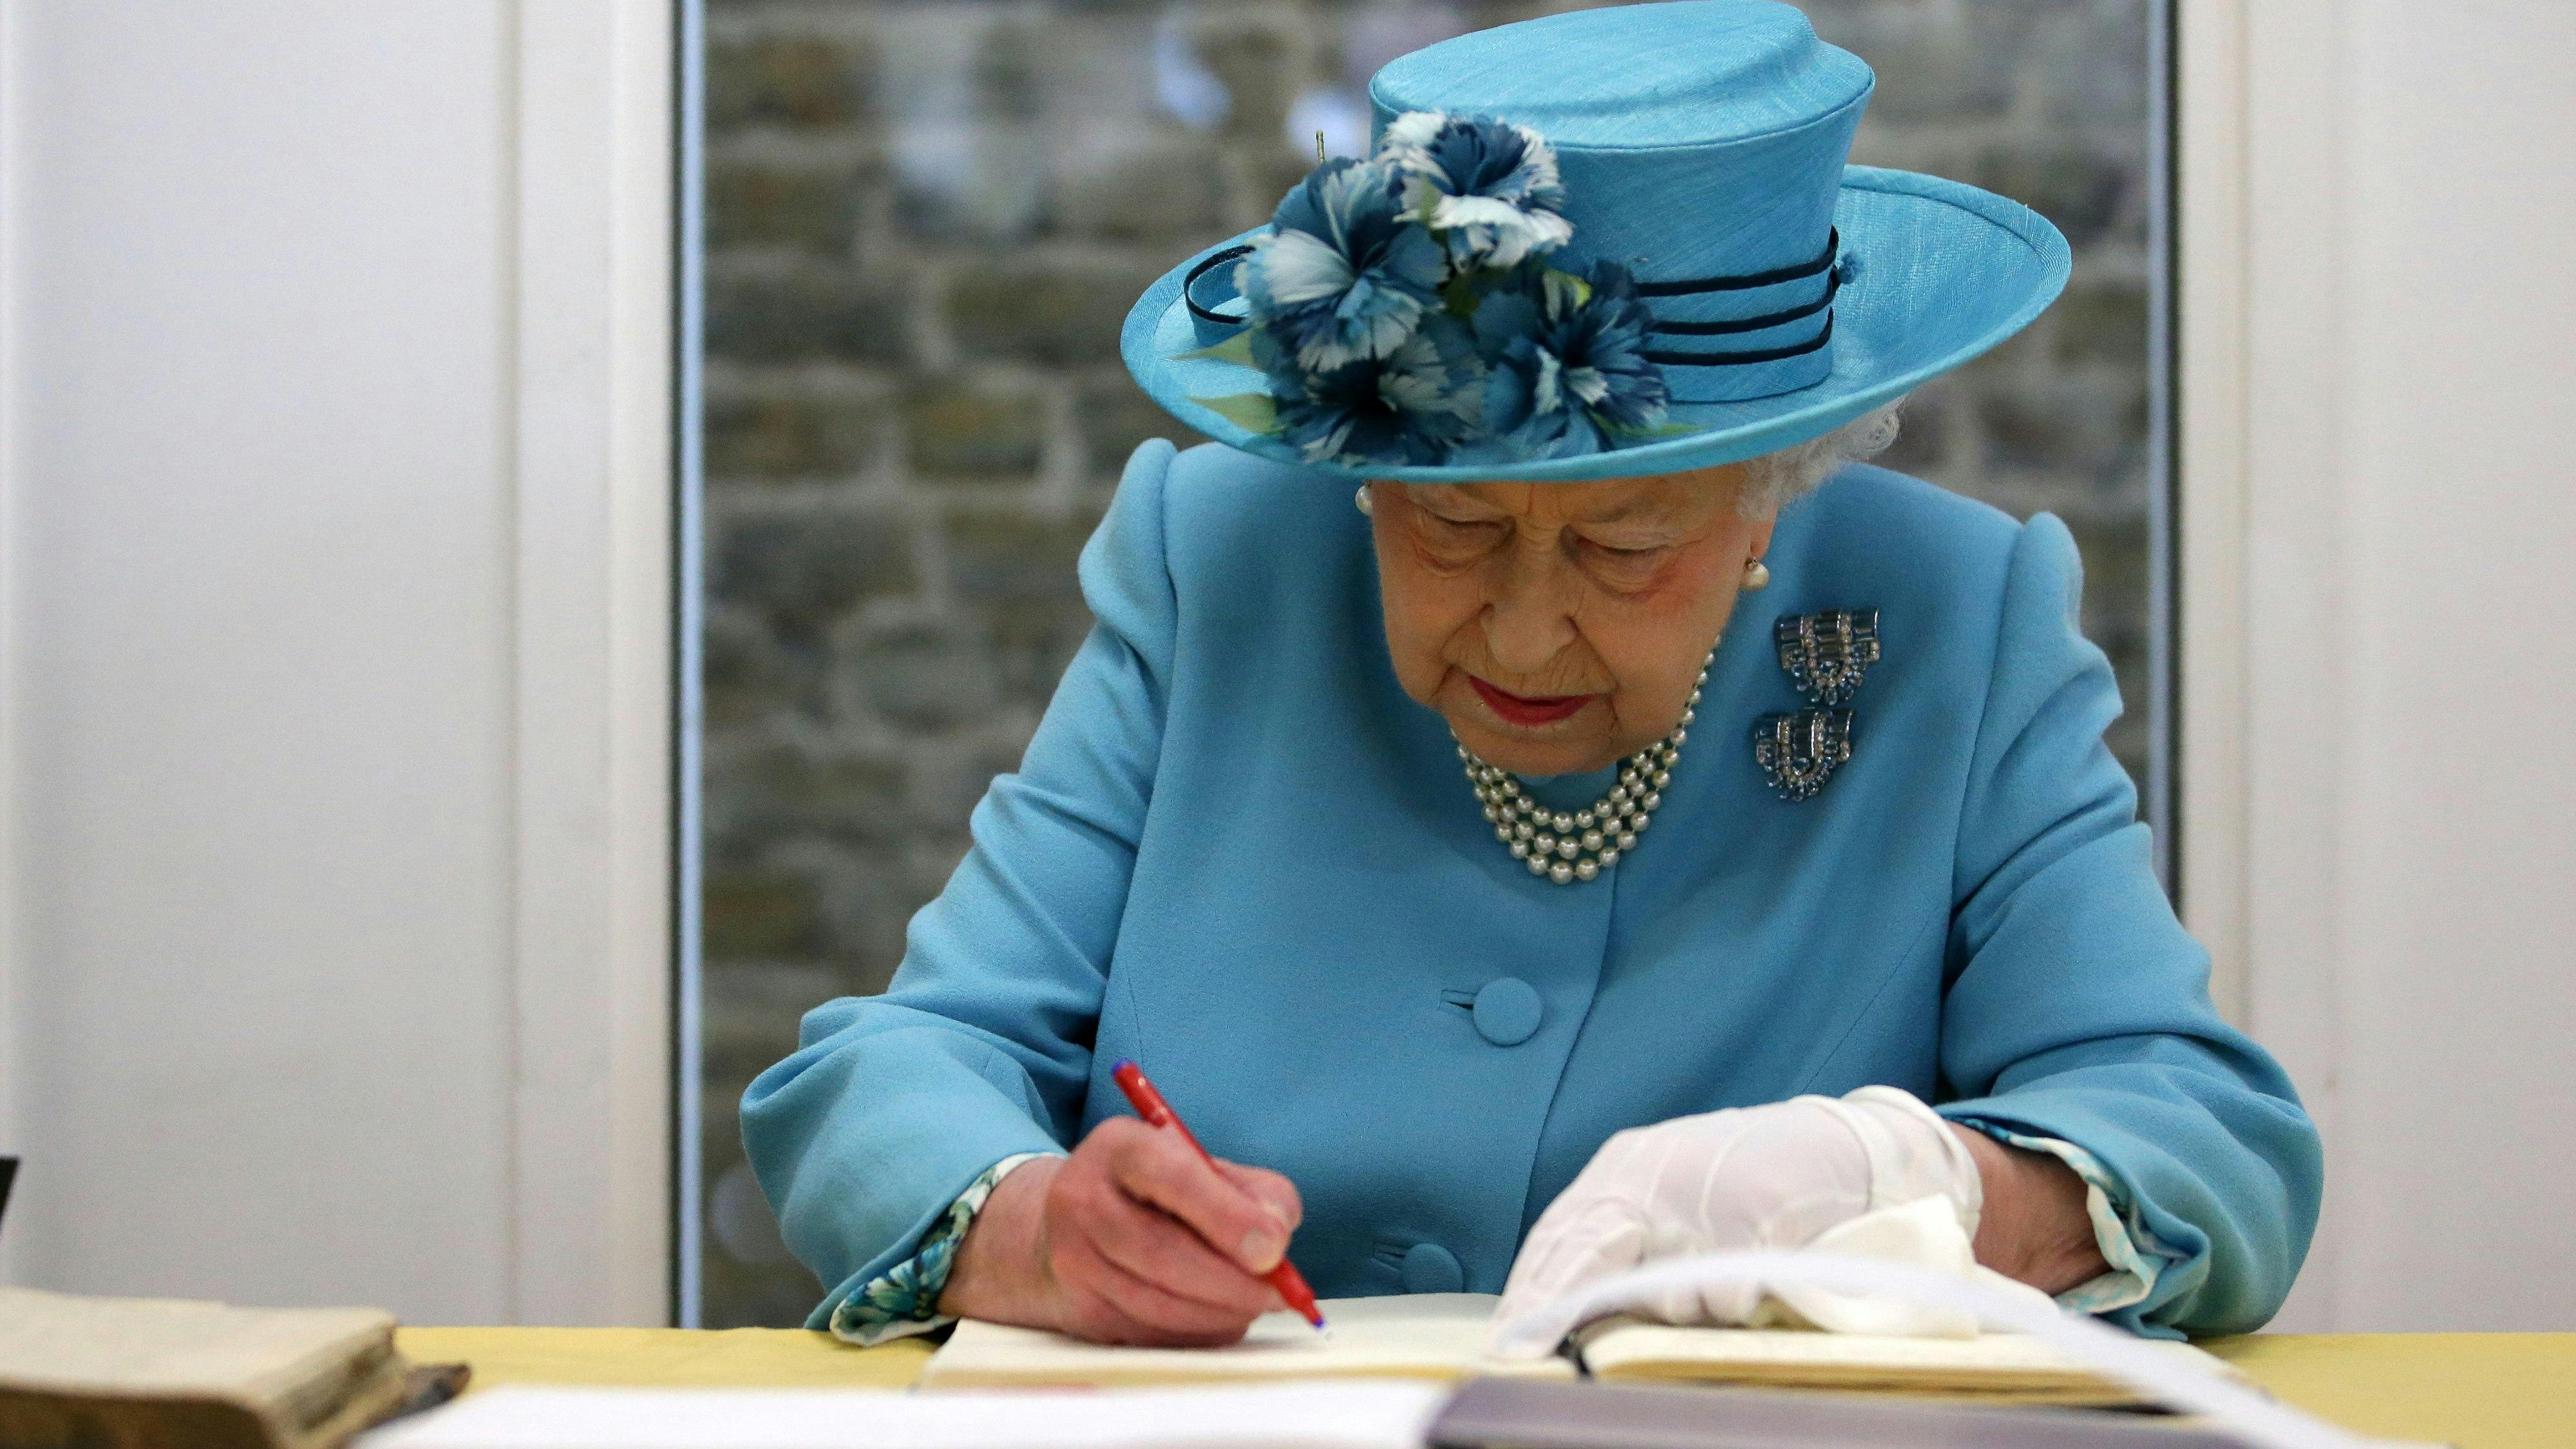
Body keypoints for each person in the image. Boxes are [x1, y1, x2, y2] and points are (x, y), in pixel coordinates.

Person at [743, 0, 2322, 1352]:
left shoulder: (1947, 619)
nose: (1514, 631)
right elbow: (889, 1069)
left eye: (1625, 548)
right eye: (1447, 527)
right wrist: (1035, 1229)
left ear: (1772, 490)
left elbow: (2204, 1140)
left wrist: (1914, 1192)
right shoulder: (1219, 558)